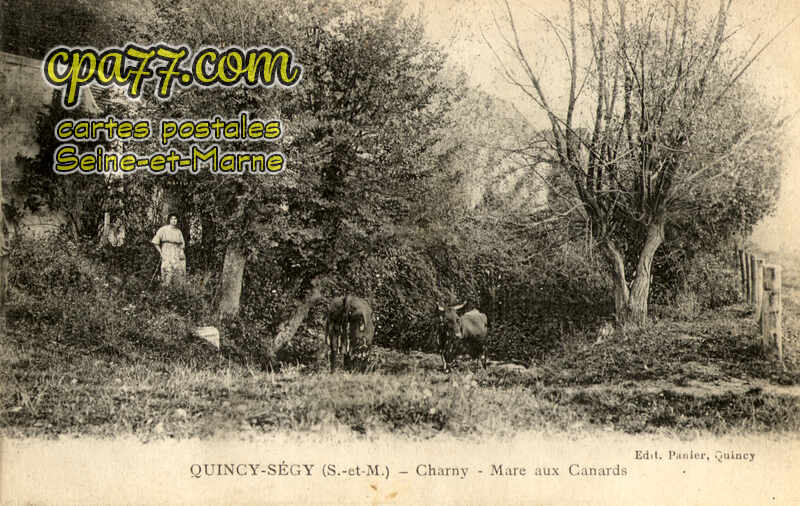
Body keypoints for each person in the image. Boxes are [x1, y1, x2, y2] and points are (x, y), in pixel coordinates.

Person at [151, 214, 186, 287]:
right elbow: (155, 242)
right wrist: (161, 252)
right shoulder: (163, 229)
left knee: (178, 271)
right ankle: (166, 290)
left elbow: (182, 244)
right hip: (166, 252)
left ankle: (177, 291)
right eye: (172, 219)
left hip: (176, 253)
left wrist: (181, 252)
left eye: (175, 219)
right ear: (169, 220)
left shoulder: (178, 231)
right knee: (167, 270)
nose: (174, 221)